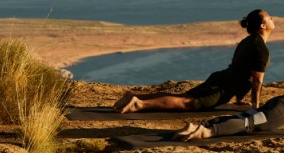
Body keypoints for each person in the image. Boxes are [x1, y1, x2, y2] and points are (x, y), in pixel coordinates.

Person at [174, 30, 284, 140]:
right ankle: (206, 132)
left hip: (281, 102)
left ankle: (199, 126)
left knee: (244, 116)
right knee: (248, 123)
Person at [114, 9, 273, 113]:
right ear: (263, 25)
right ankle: (138, 104)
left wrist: (238, 100)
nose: (273, 19)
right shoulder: (260, 48)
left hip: (220, 78)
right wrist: (255, 107)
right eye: (270, 17)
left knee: (183, 96)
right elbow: (256, 81)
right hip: (221, 88)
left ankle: (136, 96)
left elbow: (241, 69)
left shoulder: (248, 41)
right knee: (186, 103)